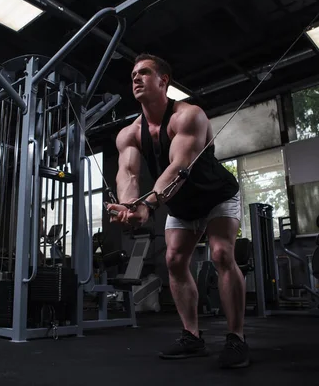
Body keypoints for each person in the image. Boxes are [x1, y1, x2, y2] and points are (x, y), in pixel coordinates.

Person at [106, 54, 250, 369]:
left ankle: (236, 338)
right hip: (182, 205)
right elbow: (128, 174)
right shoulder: (129, 133)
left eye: (144, 72)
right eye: (133, 74)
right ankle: (192, 337)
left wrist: (148, 204)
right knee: (173, 260)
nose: (136, 78)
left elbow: (179, 166)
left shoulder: (188, 116)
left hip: (217, 196)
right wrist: (130, 206)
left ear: (164, 81)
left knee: (222, 254)